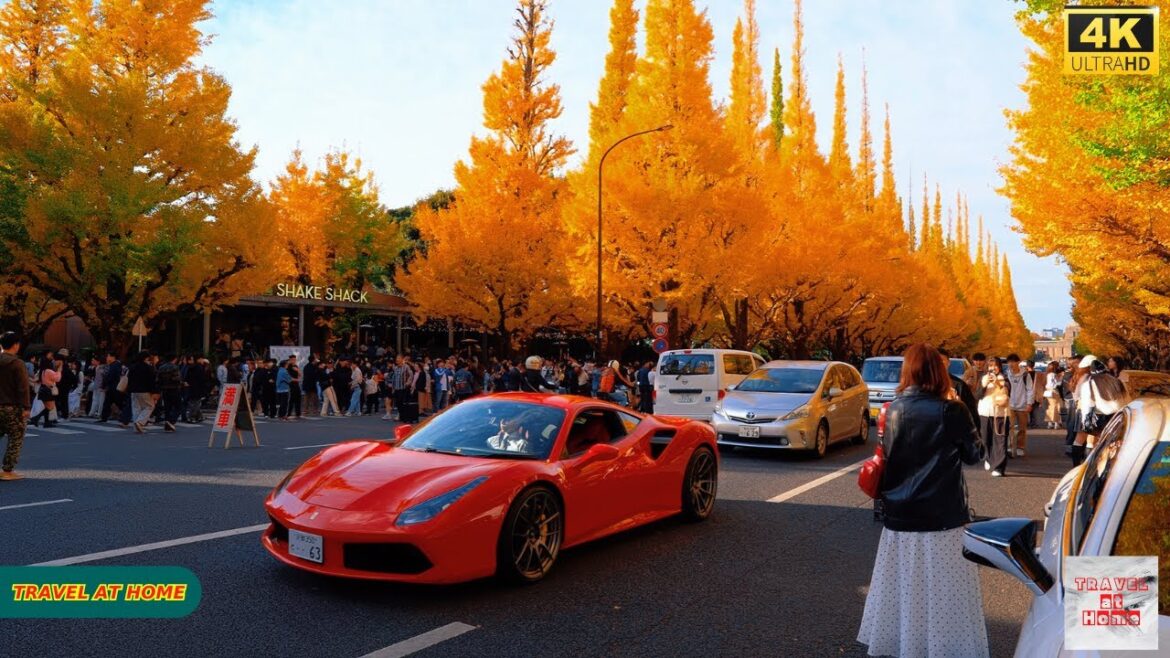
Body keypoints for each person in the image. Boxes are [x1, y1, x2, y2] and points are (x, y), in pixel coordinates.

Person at [857, 343, 987, 658]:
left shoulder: (891, 409)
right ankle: (943, 648)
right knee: (945, 590)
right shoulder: (951, 410)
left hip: (899, 513)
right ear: (940, 372)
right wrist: (962, 409)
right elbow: (975, 454)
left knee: (903, 587)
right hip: (942, 515)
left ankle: (907, 645)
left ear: (908, 372)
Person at [1070, 355, 1130, 466]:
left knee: (1083, 440)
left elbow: (1088, 404)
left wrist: (1085, 421)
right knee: (1112, 443)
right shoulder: (1118, 382)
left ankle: (1080, 465)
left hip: (1100, 416)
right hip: (1118, 415)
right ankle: (1111, 465)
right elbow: (1127, 400)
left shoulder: (1090, 383)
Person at [0, 332, 31, 481]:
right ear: (16, 345)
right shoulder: (16, 363)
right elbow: (23, 387)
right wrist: (26, 407)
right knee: (16, 437)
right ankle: (7, 470)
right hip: (11, 407)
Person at [975, 357, 1011, 476]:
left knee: (1000, 440)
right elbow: (977, 396)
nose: (993, 368)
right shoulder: (983, 378)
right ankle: (989, 458)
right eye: (991, 366)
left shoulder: (1004, 378)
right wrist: (984, 385)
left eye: (996, 365)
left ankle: (999, 468)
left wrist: (997, 383)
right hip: (985, 412)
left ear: (999, 367)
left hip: (1000, 414)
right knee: (986, 439)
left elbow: (1007, 392)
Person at [1004, 354, 1035, 458]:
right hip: (1010, 405)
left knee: (1022, 428)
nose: (1011, 364)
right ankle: (1009, 447)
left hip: (1022, 405)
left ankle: (1020, 447)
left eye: (1013, 362)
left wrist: (1029, 403)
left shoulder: (1025, 375)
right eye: (1009, 362)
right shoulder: (1006, 374)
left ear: (1018, 362)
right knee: (1009, 427)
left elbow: (1030, 390)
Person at [126, 351, 158, 434]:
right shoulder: (148, 368)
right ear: (146, 358)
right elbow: (151, 381)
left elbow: (129, 379)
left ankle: (136, 426)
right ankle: (140, 422)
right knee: (150, 406)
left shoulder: (132, 367)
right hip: (145, 390)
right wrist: (154, 391)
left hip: (133, 390)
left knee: (136, 408)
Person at [155, 355, 182, 432]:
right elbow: (177, 378)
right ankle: (171, 421)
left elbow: (158, 379)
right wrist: (181, 383)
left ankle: (167, 425)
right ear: (174, 359)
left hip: (165, 389)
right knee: (178, 407)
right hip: (174, 389)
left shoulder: (161, 367)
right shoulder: (175, 367)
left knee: (167, 408)